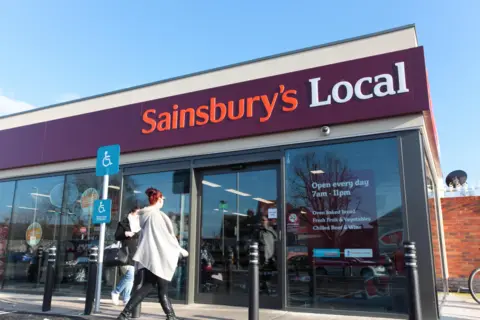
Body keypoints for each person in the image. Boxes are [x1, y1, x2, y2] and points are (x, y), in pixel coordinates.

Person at [117, 188, 188, 320]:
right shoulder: (156, 216)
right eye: (163, 199)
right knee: (159, 288)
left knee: (150, 287)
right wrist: (179, 249)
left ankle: (124, 314)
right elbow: (164, 237)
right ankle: (170, 316)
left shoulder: (146, 216)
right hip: (159, 258)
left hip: (151, 257)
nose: (163, 202)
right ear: (159, 199)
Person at [111, 206, 141, 305]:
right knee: (130, 275)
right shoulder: (123, 223)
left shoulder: (141, 224)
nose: (138, 216)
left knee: (131, 278)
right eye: (137, 214)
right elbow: (117, 236)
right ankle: (116, 292)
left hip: (137, 252)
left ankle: (126, 298)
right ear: (132, 213)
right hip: (126, 251)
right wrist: (126, 233)